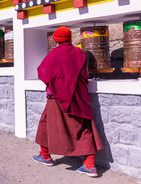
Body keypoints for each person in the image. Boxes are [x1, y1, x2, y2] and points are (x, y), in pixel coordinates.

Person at [32, 26, 103, 177]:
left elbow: (42, 71)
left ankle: (45, 156)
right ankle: (89, 165)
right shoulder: (80, 53)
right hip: (78, 97)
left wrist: (56, 84)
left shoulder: (54, 53)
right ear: (70, 38)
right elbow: (85, 74)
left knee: (46, 124)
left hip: (56, 97)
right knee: (83, 126)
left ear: (56, 40)